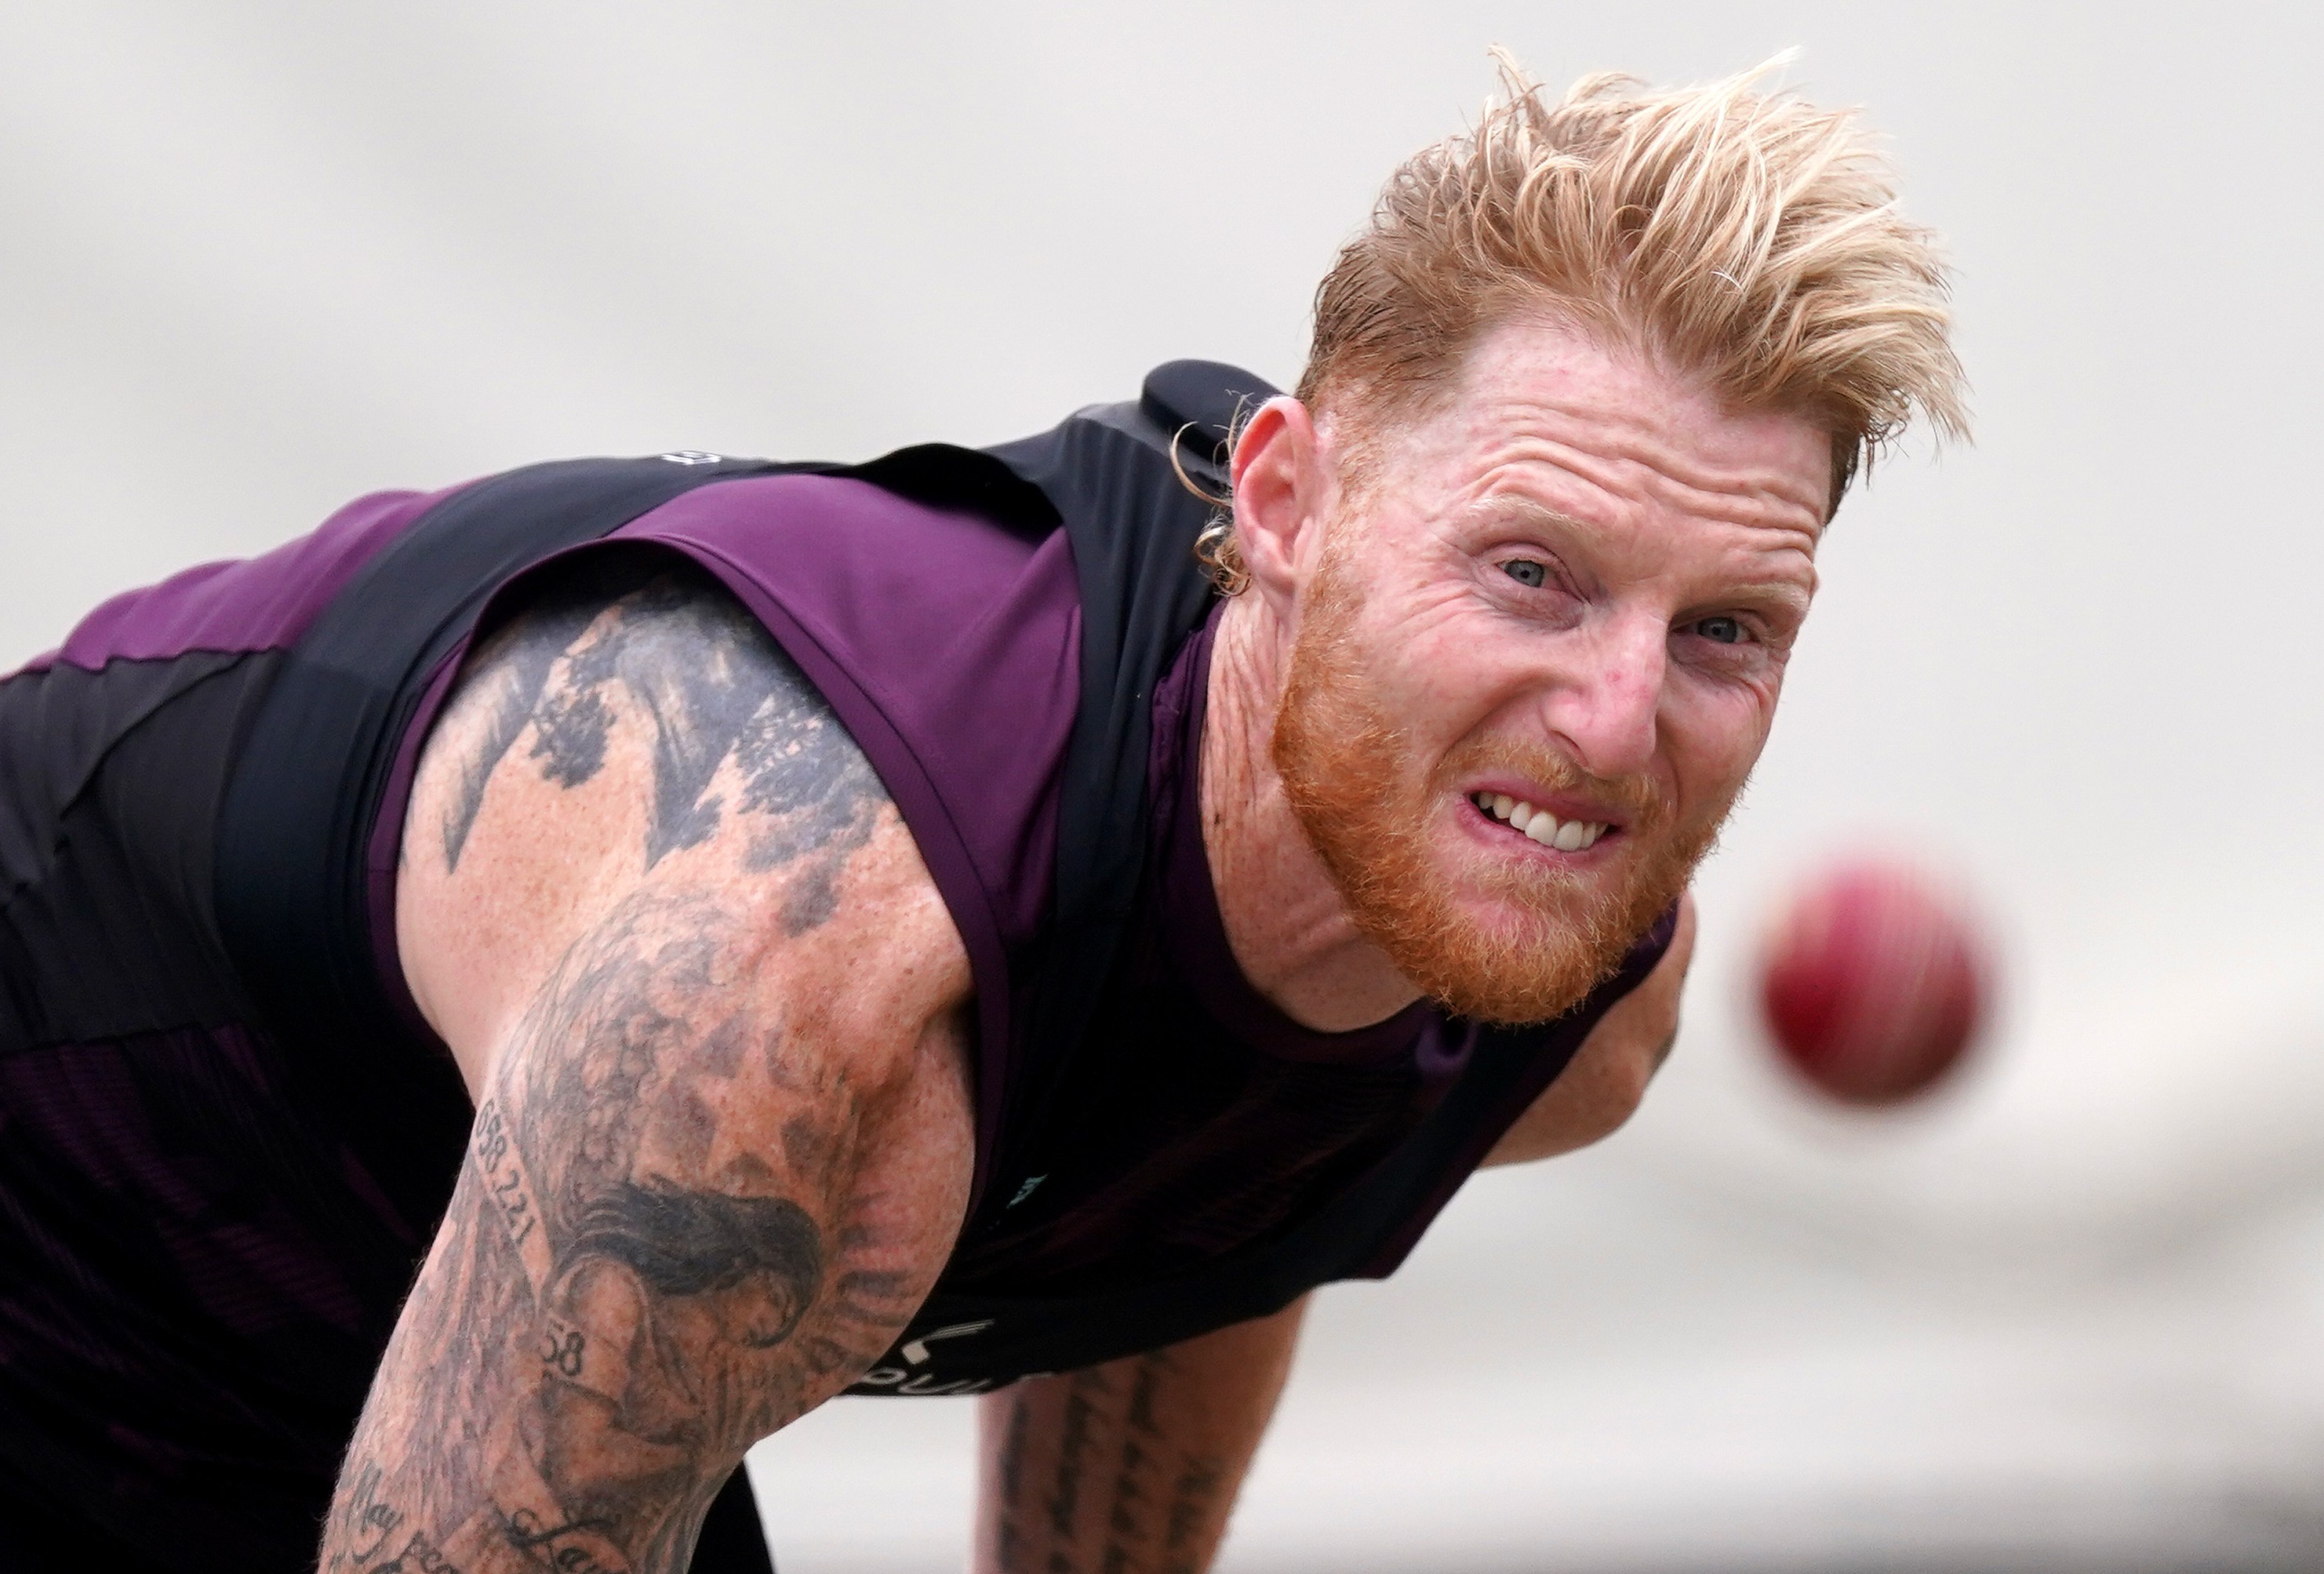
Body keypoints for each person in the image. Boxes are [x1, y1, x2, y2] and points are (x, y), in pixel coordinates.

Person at [0, 56, 1964, 1574]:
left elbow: (1233, 1182)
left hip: (401, 1276)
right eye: (1530, 571)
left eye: (1723, 627)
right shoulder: (800, 982)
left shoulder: (1554, 985)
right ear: (1281, 507)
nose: (1618, 723)